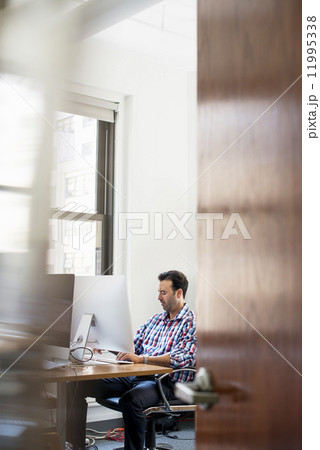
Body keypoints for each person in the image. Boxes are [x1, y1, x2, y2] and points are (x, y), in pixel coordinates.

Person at [66, 270, 197, 450]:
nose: (158, 297)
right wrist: (107, 343)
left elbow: (181, 359)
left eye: (163, 292)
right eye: (158, 292)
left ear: (179, 293)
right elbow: (132, 348)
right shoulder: (156, 320)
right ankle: (75, 445)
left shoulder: (190, 322)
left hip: (165, 382)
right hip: (139, 377)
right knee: (76, 384)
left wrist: (141, 359)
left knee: (131, 401)